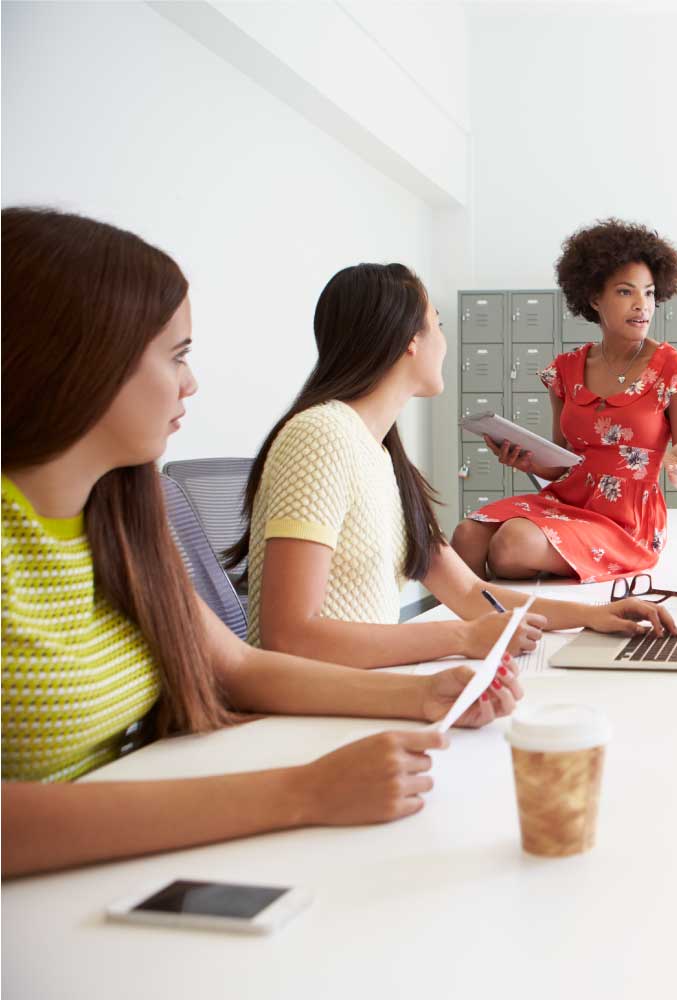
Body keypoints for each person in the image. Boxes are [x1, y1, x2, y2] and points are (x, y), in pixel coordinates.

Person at [1, 208, 517, 878]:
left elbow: (234, 667)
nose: (192, 384)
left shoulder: (124, 505)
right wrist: (302, 791)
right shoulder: (324, 434)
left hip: (114, 864)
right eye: (177, 356)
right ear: (82, 359)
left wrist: (428, 697)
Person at [229, 262, 677, 670]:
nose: (444, 342)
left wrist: (595, 616)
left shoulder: (380, 455)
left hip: (358, 693)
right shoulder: (321, 436)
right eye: (437, 325)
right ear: (409, 341)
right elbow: (288, 637)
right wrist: (460, 638)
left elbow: (466, 593)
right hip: (309, 714)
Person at [451, 219, 677, 582]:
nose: (641, 305)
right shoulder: (566, 370)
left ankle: (506, 621)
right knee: (467, 535)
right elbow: (562, 462)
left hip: (626, 520)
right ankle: (477, 632)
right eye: (625, 292)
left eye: (649, 293)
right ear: (593, 298)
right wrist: (527, 461)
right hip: (568, 499)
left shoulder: (674, 369)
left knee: (510, 545)